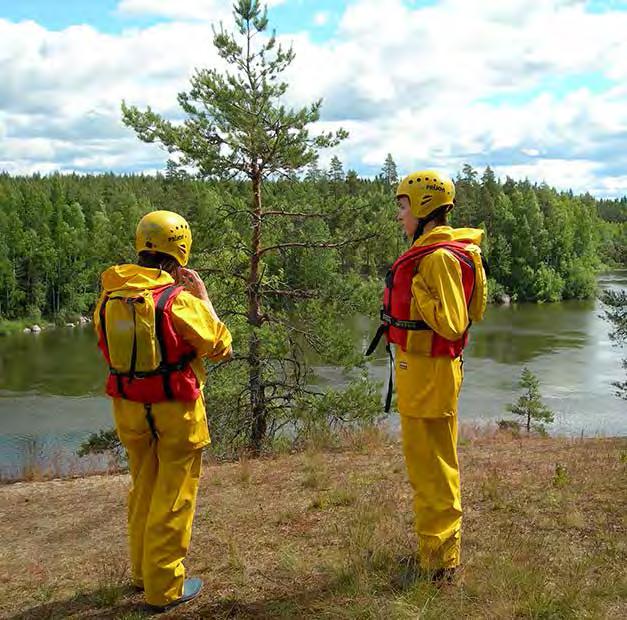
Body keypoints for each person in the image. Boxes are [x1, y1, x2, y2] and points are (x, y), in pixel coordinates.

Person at [93, 210, 232, 611]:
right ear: (180, 251)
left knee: (143, 488)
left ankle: (142, 573)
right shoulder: (179, 300)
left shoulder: (110, 295)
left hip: (129, 409)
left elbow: (104, 343)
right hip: (176, 412)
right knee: (174, 497)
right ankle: (164, 587)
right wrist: (205, 300)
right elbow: (221, 346)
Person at [367, 170, 487, 582]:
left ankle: (439, 564)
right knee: (428, 467)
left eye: (403, 207)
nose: (400, 216)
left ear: (422, 208)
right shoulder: (433, 253)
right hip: (421, 374)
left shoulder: (436, 259)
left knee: (433, 469)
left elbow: (453, 323)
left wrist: (418, 292)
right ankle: (434, 553)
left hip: (431, 376)